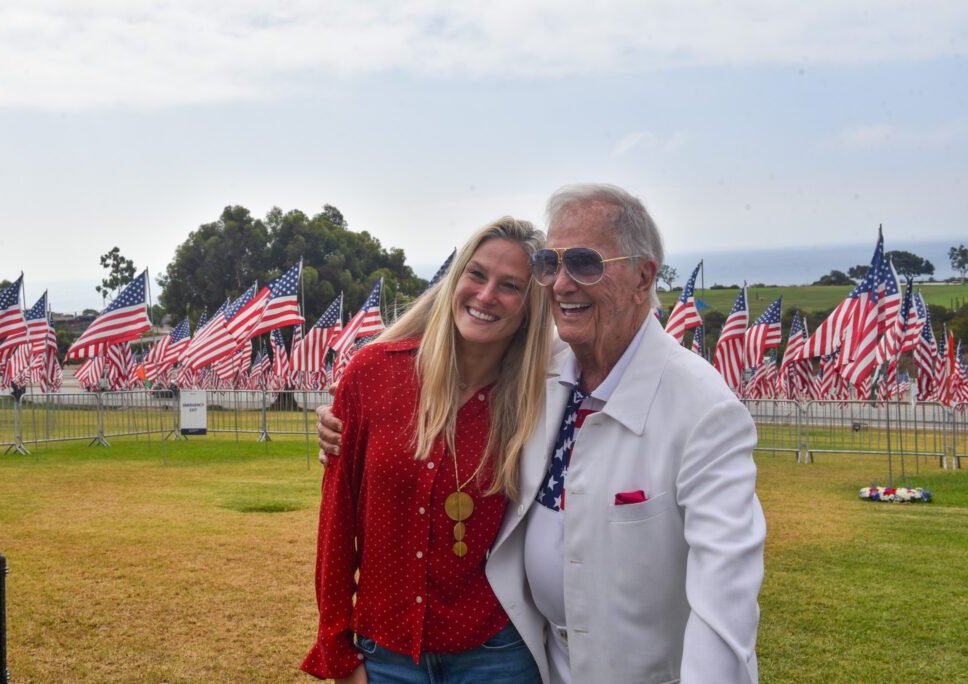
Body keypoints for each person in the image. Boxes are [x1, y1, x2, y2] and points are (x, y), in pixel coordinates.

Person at [318, 184, 766, 683]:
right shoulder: (544, 375)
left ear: (644, 278)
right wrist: (344, 427)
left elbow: (724, 601)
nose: (562, 283)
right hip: (536, 660)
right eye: (551, 265)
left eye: (586, 263)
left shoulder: (702, 408)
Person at [301, 217, 552, 683]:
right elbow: (336, 522)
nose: (486, 295)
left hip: (496, 653)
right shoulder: (374, 373)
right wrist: (337, 649)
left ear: (528, 309)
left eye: (510, 285)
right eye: (476, 274)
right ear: (455, 280)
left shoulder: (541, 398)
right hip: (385, 656)